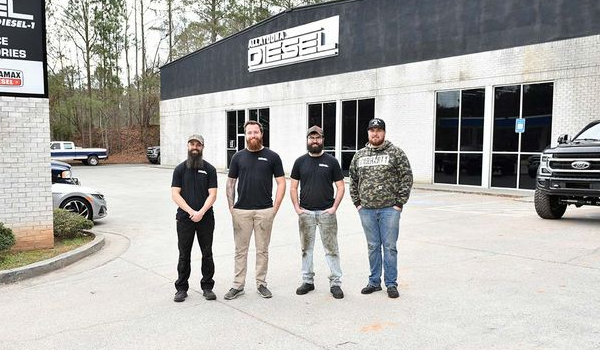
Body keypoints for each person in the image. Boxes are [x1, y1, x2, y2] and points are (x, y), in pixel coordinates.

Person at [349, 118, 413, 299]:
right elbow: (352, 180)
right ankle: (374, 282)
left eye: (378, 130)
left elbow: (406, 177)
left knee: (390, 247)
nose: (375, 133)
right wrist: (358, 203)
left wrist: (399, 203)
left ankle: (391, 284)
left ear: (384, 132)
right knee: (373, 246)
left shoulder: (396, 153)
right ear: (368, 133)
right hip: (367, 210)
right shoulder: (359, 155)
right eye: (372, 130)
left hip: (389, 210)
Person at [224, 120, 286, 300]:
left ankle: (261, 284)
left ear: (261, 134)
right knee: (240, 250)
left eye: (255, 132)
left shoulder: (272, 156)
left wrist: (275, 208)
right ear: (245, 135)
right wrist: (231, 207)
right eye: (249, 133)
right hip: (241, 211)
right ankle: (238, 285)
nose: (252, 136)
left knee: (262, 250)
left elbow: (281, 182)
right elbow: (231, 182)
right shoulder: (238, 157)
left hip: (265, 211)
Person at [290, 125, 345, 299]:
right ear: (307, 140)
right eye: (311, 138)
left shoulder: (331, 161)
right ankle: (308, 281)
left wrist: (334, 207)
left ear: (322, 140)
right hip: (306, 213)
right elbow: (293, 187)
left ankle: (335, 283)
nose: (314, 140)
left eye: (318, 137)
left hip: (326, 213)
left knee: (331, 249)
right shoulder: (300, 162)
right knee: (306, 249)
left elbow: (341, 186)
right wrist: (297, 208)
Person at [171, 134, 218, 302]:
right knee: (184, 254)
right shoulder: (180, 169)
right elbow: (175, 194)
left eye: (198, 144)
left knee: (207, 253)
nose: (195, 147)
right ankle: (181, 288)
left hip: (206, 219)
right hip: (184, 219)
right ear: (188, 146)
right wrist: (191, 212)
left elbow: (212, 195)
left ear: (203, 147)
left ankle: (207, 287)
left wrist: (201, 212)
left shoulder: (210, 169)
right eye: (192, 144)